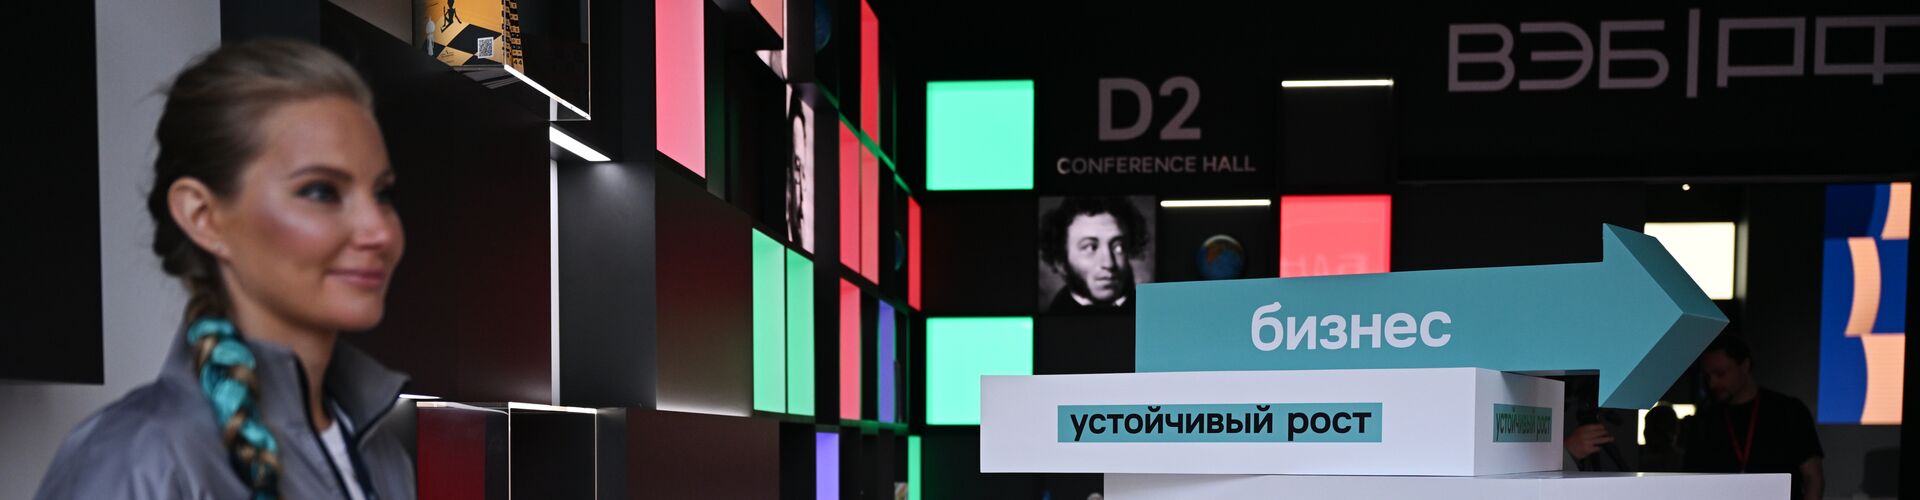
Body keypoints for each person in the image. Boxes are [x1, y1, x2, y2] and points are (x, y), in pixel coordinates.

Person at [35, 39, 413, 499]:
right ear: (203, 216)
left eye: (383, 194)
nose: (380, 231)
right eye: (320, 191)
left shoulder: (384, 456)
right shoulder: (139, 458)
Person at [1684, 334, 1823, 500]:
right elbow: (1691, 483)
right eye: (1707, 376)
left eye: (1720, 373)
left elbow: (1813, 477)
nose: (1713, 383)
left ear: (1745, 365)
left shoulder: (1788, 410)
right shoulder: (1704, 420)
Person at [1038, 197, 1150, 312]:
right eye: (1090, 247)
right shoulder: (1056, 312)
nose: (1109, 263)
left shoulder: (1148, 309)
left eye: (1118, 247)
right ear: (1061, 262)